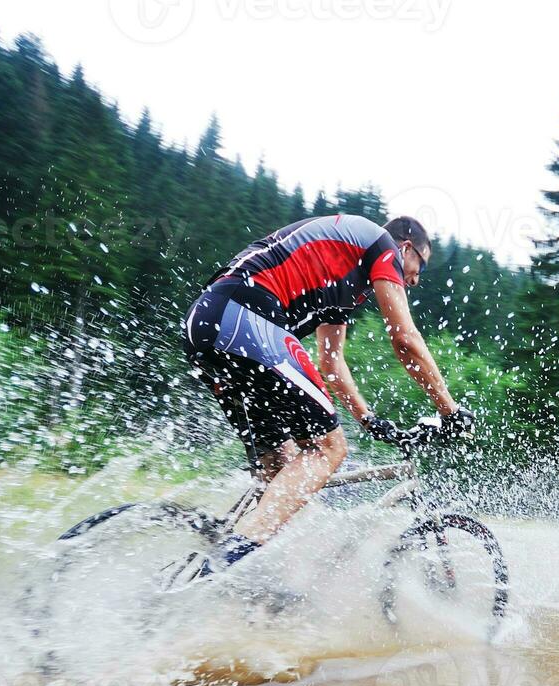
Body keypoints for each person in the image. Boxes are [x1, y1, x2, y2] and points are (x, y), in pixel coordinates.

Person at [181, 213, 473, 573]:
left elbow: (331, 363)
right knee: (330, 448)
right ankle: (224, 564)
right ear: (406, 247)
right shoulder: (383, 246)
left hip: (209, 326)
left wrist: (368, 418)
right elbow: (405, 339)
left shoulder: (344, 281)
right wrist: (450, 410)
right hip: (244, 317)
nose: (413, 280)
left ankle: (245, 583)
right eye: (420, 268)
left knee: (283, 470)